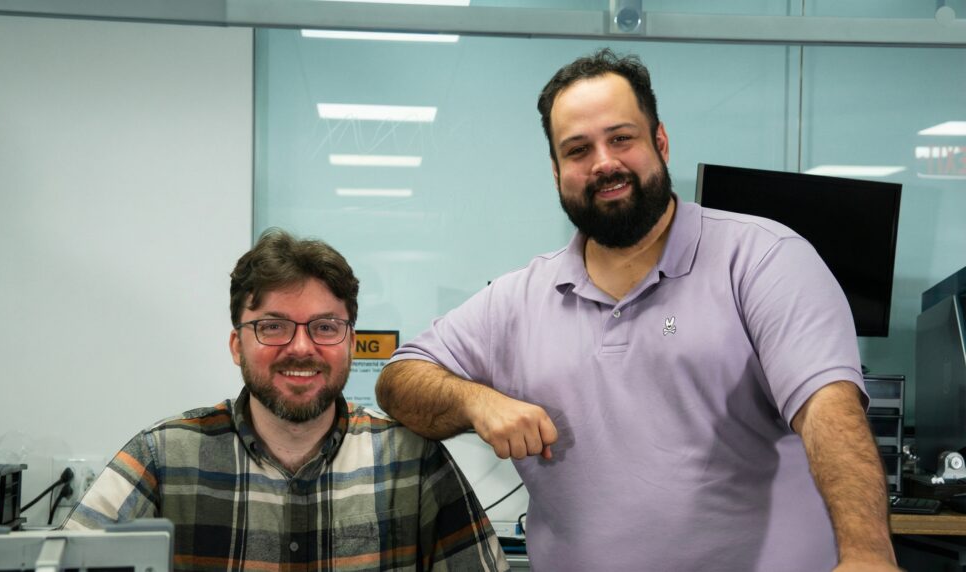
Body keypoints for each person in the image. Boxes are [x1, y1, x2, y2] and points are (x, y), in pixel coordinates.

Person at [375, 49, 897, 571]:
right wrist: (477, 402)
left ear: (660, 142)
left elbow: (828, 410)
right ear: (556, 172)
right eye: (578, 150)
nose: (604, 162)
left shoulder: (762, 259)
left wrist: (867, 556)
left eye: (621, 138)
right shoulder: (518, 300)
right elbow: (399, 379)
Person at [65, 229, 509, 572]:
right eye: (273, 326)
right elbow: (65, 559)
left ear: (351, 344)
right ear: (237, 345)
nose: (300, 347)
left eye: (325, 327)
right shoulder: (162, 457)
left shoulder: (413, 459)